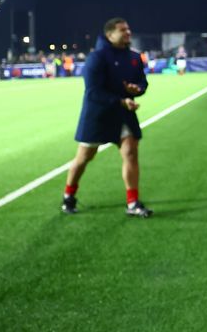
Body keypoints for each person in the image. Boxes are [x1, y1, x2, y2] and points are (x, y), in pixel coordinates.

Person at [61, 18, 153, 218]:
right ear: (110, 35)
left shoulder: (134, 57)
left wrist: (137, 89)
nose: (128, 32)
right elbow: (93, 92)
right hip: (98, 115)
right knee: (84, 157)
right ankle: (69, 195)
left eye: (128, 29)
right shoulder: (97, 57)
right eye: (122, 30)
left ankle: (133, 202)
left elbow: (142, 82)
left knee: (130, 153)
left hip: (123, 114)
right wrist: (122, 100)